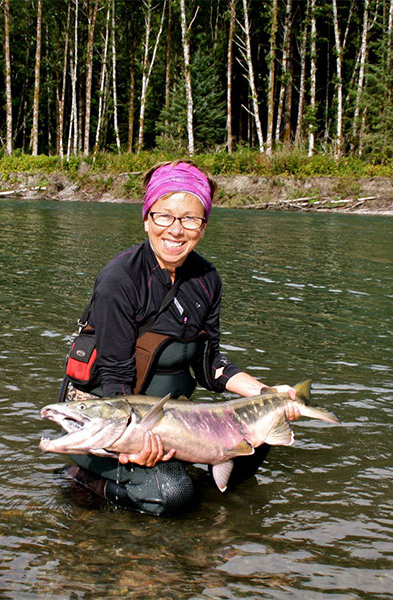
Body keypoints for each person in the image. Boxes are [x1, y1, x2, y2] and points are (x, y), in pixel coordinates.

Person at [63, 160, 301, 516]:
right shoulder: (119, 280)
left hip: (172, 424)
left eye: (190, 219)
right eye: (164, 216)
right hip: (109, 425)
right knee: (173, 495)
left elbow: (210, 365)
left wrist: (268, 395)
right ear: (146, 218)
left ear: (203, 228)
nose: (176, 230)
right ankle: (87, 479)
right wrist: (132, 445)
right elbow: (115, 381)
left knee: (262, 431)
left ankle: (183, 479)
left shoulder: (206, 279)